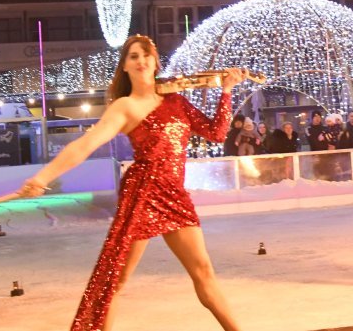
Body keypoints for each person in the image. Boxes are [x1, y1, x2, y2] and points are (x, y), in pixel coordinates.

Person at [16, 34, 246, 331]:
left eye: (146, 55)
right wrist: (42, 177)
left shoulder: (176, 101)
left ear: (155, 62)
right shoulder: (124, 107)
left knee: (203, 272)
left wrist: (226, 91)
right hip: (142, 194)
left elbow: (216, 133)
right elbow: (84, 145)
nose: (141, 61)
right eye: (133, 56)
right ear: (124, 66)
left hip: (174, 196)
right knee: (117, 279)